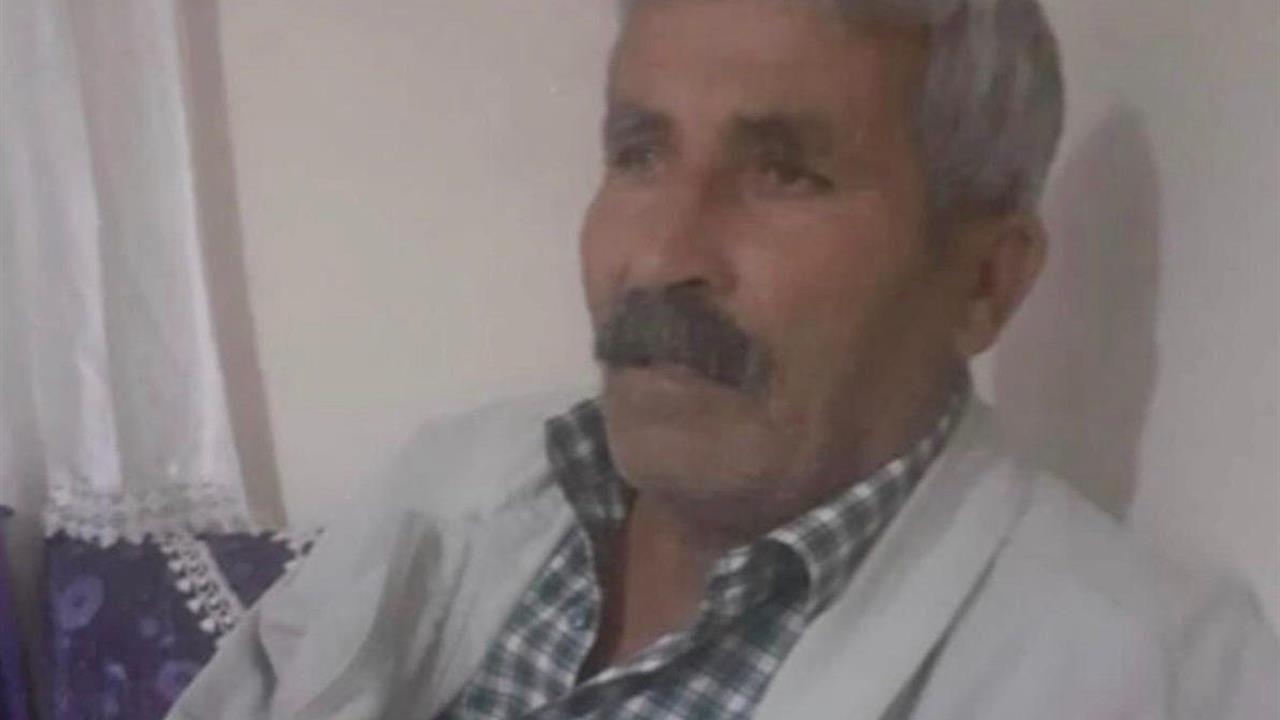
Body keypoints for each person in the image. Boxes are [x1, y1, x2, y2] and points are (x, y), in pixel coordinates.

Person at [168, 0, 1279, 718]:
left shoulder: (1154, 677)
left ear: (983, 282)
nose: (659, 257)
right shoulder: (450, 481)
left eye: (784, 173)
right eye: (638, 152)